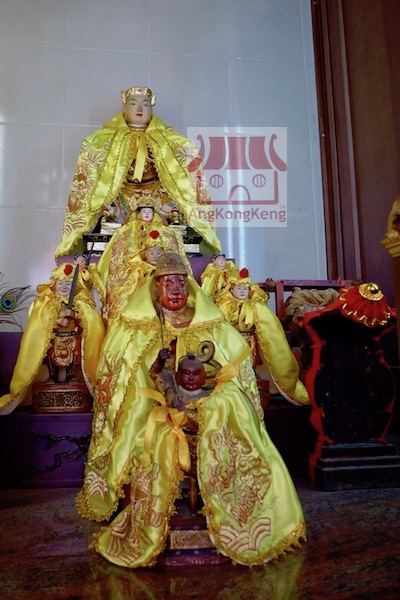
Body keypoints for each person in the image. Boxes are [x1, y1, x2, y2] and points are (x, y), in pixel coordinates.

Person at [76, 252, 306, 568]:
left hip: (205, 402)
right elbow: (118, 376)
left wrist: (212, 393)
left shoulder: (207, 322)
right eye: (168, 284)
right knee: (139, 417)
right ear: (156, 287)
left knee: (232, 407)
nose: (176, 291)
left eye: (181, 284)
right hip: (156, 406)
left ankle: (232, 502)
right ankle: (152, 505)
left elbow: (232, 364)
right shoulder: (135, 326)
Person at [55, 86, 221, 260]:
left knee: (175, 210)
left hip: (157, 196)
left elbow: (183, 179)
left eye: (146, 104)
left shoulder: (171, 140)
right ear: (124, 106)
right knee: (107, 210)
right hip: (122, 195)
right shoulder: (102, 139)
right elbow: (93, 179)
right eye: (133, 104)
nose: (140, 109)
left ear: (152, 108)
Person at [0, 263, 105, 415]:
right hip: (53, 340)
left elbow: (91, 323)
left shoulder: (82, 303)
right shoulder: (46, 302)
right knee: (52, 360)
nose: (64, 287)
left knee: (71, 361)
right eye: (60, 283)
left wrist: (76, 314)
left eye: (68, 284)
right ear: (54, 284)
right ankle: (53, 377)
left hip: (72, 340)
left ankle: (70, 377)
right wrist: (54, 320)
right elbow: (39, 322)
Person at [215, 268, 310, 406]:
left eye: (245, 288)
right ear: (231, 289)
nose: (242, 291)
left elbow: (270, 327)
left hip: (252, 341)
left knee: (253, 364)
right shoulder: (225, 306)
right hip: (233, 344)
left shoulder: (257, 306)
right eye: (239, 288)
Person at [96, 200, 191, 322]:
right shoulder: (129, 229)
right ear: (139, 213)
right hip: (138, 268)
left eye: (149, 212)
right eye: (144, 211)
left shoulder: (165, 231)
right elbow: (125, 254)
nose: (146, 214)